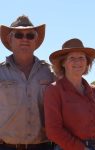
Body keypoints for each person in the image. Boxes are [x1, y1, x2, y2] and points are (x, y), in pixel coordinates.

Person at [44, 38, 95, 150]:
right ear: (63, 62)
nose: (78, 62)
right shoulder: (54, 91)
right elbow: (53, 130)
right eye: (72, 58)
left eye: (81, 58)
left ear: (87, 62)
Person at [0, 15, 55, 150]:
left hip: (43, 147)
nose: (25, 39)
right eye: (19, 35)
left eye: (30, 35)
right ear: (10, 39)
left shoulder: (51, 72)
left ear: (35, 41)